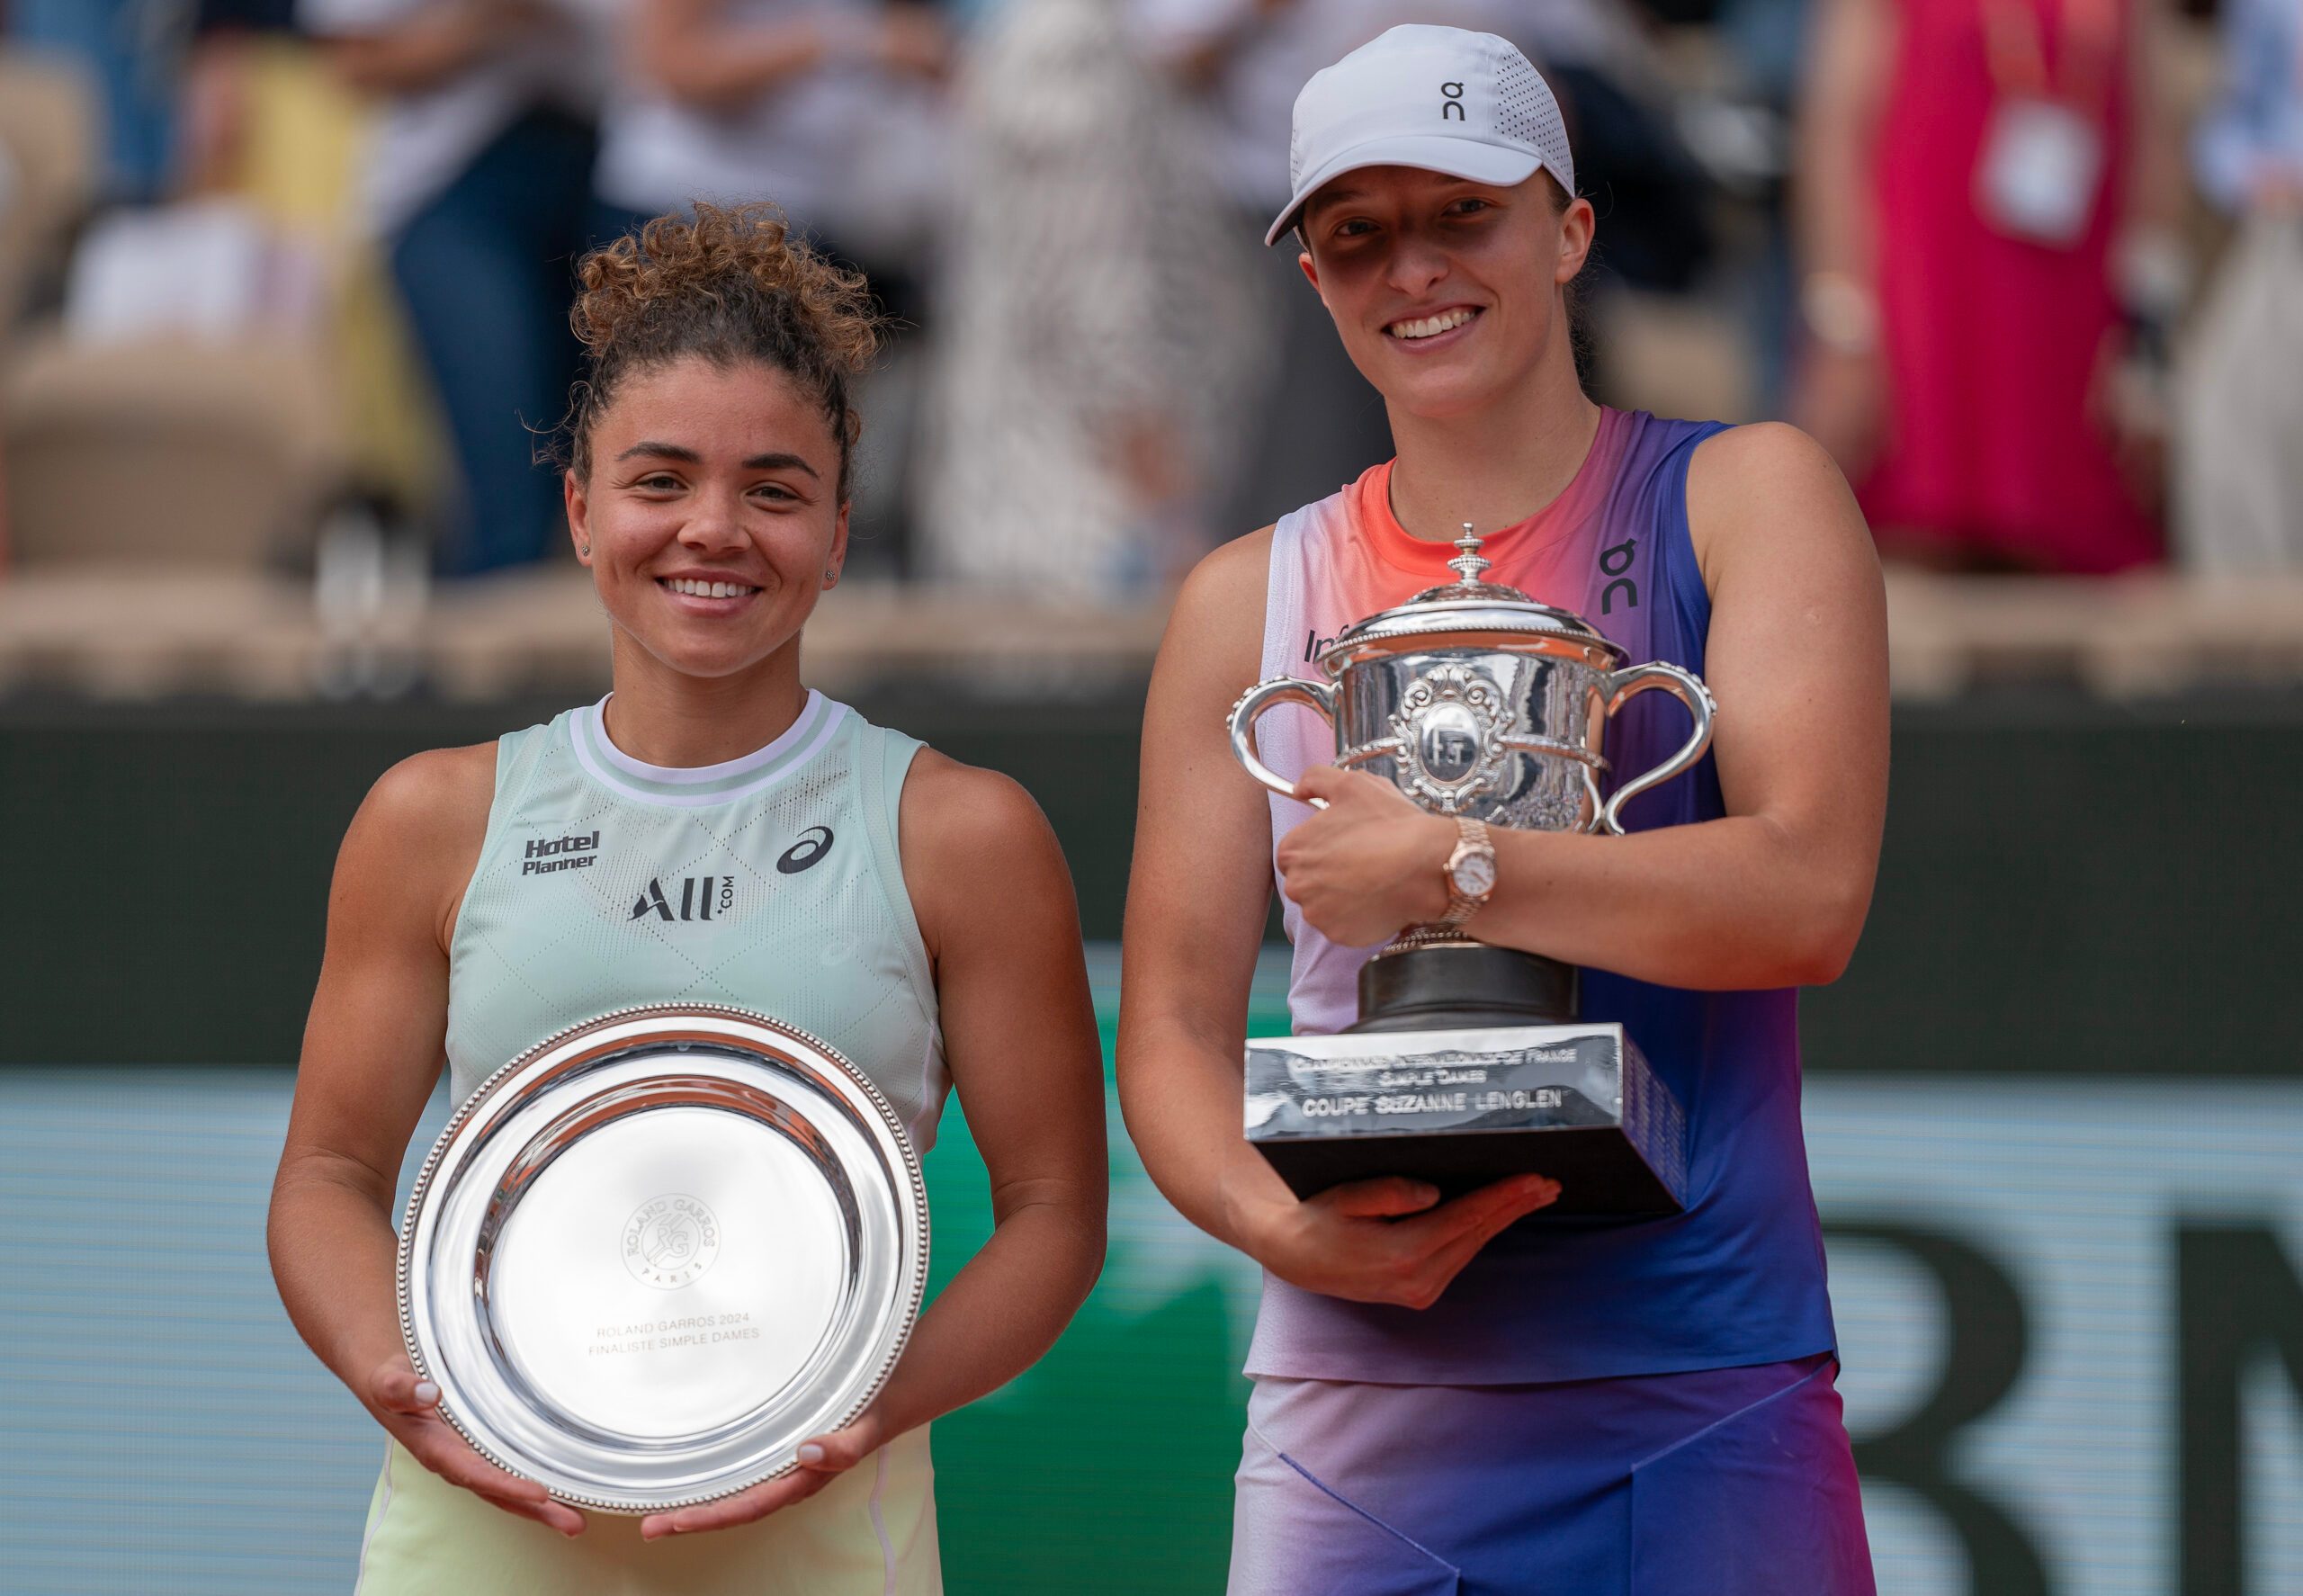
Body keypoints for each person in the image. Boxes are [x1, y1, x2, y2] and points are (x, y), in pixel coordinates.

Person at [1117, 26, 1883, 1593]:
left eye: (1462, 213)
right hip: (1361, 1419)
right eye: (1358, 236)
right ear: (1318, 283)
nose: (1413, 269)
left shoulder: (1752, 494)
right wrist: (1286, 1230)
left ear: (1569, 228)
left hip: (1703, 1381)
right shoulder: (1236, 599)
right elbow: (1175, 1034)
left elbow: (1810, 896)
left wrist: (1454, 863)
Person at [267, 202, 1107, 1594]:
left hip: (828, 1534)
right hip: (485, 1528)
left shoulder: (962, 831)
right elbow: (329, 1176)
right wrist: (400, 1372)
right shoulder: (434, 816)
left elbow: (1056, 1213)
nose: (714, 529)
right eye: (661, 480)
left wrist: (863, 1414)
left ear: (838, 532)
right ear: (583, 508)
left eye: (774, 489)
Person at [1791, 0, 2185, 572]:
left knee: (2072, 559)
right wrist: (1843, 325)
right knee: (1904, 554)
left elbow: (2155, 143)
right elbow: (1835, 133)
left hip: (2068, 321)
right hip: (1926, 313)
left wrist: (2146, 340)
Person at [300, 0, 613, 574]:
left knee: (611, 495)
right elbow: (353, 59)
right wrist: (493, 23)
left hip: (604, 182)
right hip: (449, 190)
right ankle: (477, 657)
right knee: (511, 490)